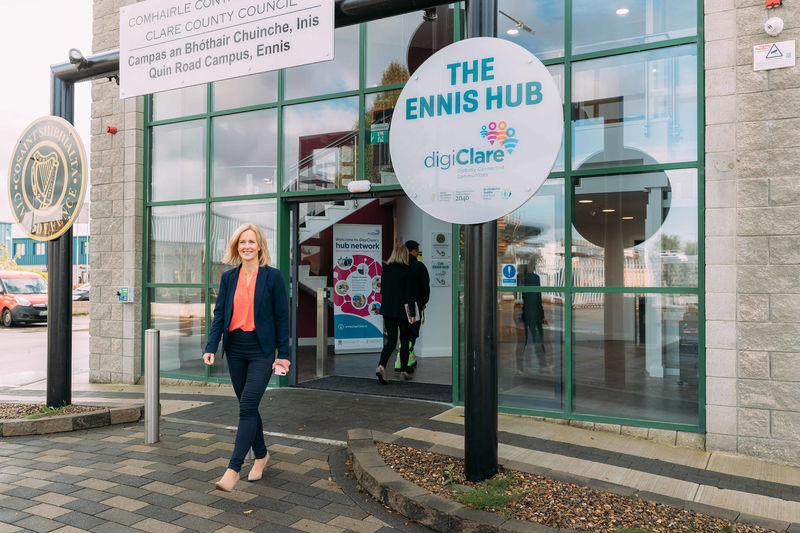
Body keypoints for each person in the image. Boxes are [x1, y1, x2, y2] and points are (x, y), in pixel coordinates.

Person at [202, 222, 290, 492]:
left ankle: (233, 469)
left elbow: (281, 317)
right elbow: (219, 315)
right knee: (248, 407)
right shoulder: (229, 278)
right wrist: (210, 346)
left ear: (260, 245)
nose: (247, 246)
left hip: (261, 350)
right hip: (236, 349)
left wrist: (283, 354)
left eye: (251, 242)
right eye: (242, 242)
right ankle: (262, 455)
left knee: (247, 406)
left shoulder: (272, 277)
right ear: (236, 247)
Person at [376, 243, 416, 384]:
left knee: (391, 341)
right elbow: (410, 294)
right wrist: (412, 313)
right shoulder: (407, 270)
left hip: (388, 310)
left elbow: (382, 292)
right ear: (405, 255)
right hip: (403, 312)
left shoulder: (386, 270)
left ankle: (381, 366)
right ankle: (404, 371)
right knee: (404, 340)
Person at [396, 240, 429, 372]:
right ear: (414, 251)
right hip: (414, 304)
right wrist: (423, 303)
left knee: (404, 333)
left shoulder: (399, 265)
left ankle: (410, 359)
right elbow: (425, 287)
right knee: (412, 333)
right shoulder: (418, 266)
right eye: (417, 251)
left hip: (399, 305)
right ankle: (400, 359)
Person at [517, 259, 548, 374]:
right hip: (534, 313)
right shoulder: (535, 278)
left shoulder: (520, 278)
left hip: (524, 312)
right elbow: (537, 298)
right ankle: (542, 365)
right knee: (538, 339)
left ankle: (520, 367)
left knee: (523, 342)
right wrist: (542, 315)